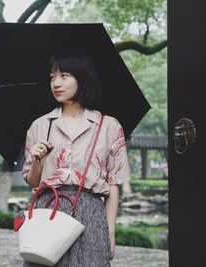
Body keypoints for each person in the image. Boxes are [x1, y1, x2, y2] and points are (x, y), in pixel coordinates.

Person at [21, 51, 130, 267]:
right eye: (52, 77)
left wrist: (110, 232)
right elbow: (33, 182)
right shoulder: (40, 125)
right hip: (48, 208)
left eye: (64, 75)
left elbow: (113, 184)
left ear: (82, 78)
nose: (56, 83)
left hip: (90, 214)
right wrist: (37, 162)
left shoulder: (108, 126)